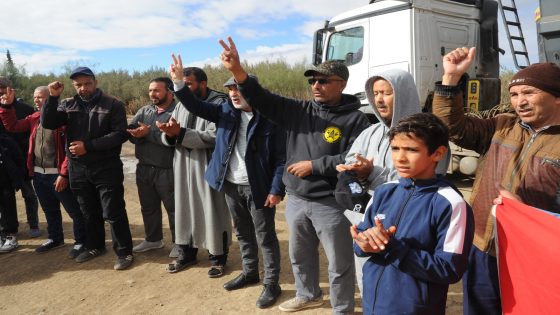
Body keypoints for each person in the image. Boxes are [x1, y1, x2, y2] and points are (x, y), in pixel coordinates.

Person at [219, 37, 371, 314]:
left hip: (332, 202)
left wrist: (315, 166)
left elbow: (353, 157)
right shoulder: (299, 111)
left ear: (343, 84)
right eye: (313, 80)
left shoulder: (357, 119)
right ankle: (308, 294)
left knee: (339, 263)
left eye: (324, 80)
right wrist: (238, 72)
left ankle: (342, 308)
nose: (316, 85)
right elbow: (262, 98)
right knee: (299, 256)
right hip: (298, 198)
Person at [433, 47, 560, 315]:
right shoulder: (502, 125)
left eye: (529, 92)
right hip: (483, 246)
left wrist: (527, 213)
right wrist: (451, 80)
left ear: (557, 98)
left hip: (532, 257)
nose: (519, 102)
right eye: (514, 94)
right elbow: (451, 128)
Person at [169, 56, 286, 308]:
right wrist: (178, 82)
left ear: (253, 92)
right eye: (230, 89)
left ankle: (271, 283)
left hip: (259, 187)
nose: (233, 93)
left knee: (265, 236)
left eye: (238, 88)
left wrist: (276, 189)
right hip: (231, 184)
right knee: (243, 232)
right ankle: (250, 272)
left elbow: (281, 159)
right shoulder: (225, 112)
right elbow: (194, 105)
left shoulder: (271, 119)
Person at [352, 113, 474, 315]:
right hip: (374, 303)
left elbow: (450, 268)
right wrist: (363, 243)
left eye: (411, 150)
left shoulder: (450, 204)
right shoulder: (384, 191)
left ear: (437, 153)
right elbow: (362, 242)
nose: (400, 157)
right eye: (395, 148)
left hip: (415, 308)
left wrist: (392, 247)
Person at [335, 69, 421, 294]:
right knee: (368, 283)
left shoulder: (424, 134)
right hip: (367, 220)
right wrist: (355, 172)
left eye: (386, 92)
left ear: (404, 94)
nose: (379, 99)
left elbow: (416, 180)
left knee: (401, 289)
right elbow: (352, 161)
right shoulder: (370, 132)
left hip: (404, 224)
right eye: (375, 93)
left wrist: (372, 173)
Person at [42, 67, 134, 270]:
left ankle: (124, 251)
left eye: (87, 83)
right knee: (88, 211)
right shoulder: (67, 104)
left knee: (113, 210)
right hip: (78, 168)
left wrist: (89, 146)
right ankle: (95, 246)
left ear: (95, 82)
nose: (83, 88)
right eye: (78, 85)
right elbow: (49, 123)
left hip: (106, 167)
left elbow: (120, 134)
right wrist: (52, 98)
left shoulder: (113, 104)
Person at [158, 66, 232, 278]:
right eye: (182, 85)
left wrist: (179, 133)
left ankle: (218, 257)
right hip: (183, 164)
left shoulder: (219, 103)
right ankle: (186, 253)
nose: (185, 89)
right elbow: (171, 132)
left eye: (188, 84)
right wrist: (169, 134)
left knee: (212, 211)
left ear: (203, 83)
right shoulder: (181, 105)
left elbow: (217, 136)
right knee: (185, 209)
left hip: (208, 164)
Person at [0, 86, 86, 258]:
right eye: (35, 97)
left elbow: (70, 148)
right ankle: (56, 238)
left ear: (50, 98)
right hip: (39, 174)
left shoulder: (63, 118)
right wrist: (7, 107)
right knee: (49, 210)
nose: (36, 100)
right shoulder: (34, 117)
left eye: (40, 97)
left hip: (58, 174)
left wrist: (64, 174)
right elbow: (13, 126)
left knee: (74, 210)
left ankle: (81, 241)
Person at [127, 77, 176, 256]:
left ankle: (180, 243)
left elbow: (174, 139)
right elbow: (130, 130)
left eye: (156, 90)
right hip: (144, 168)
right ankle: (153, 240)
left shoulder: (178, 111)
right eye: (150, 90)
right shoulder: (145, 110)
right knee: (148, 207)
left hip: (168, 169)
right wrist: (135, 134)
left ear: (169, 92)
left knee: (174, 208)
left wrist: (148, 134)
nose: (152, 94)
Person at [0, 76, 41, 238]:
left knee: (29, 194)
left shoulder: (26, 109)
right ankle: (9, 228)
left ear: (12, 91)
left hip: (22, 160)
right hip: (3, 164)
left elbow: (33, 134)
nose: (1, 95)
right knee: (5, 197)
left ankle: (34, 224)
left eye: (3, 91)